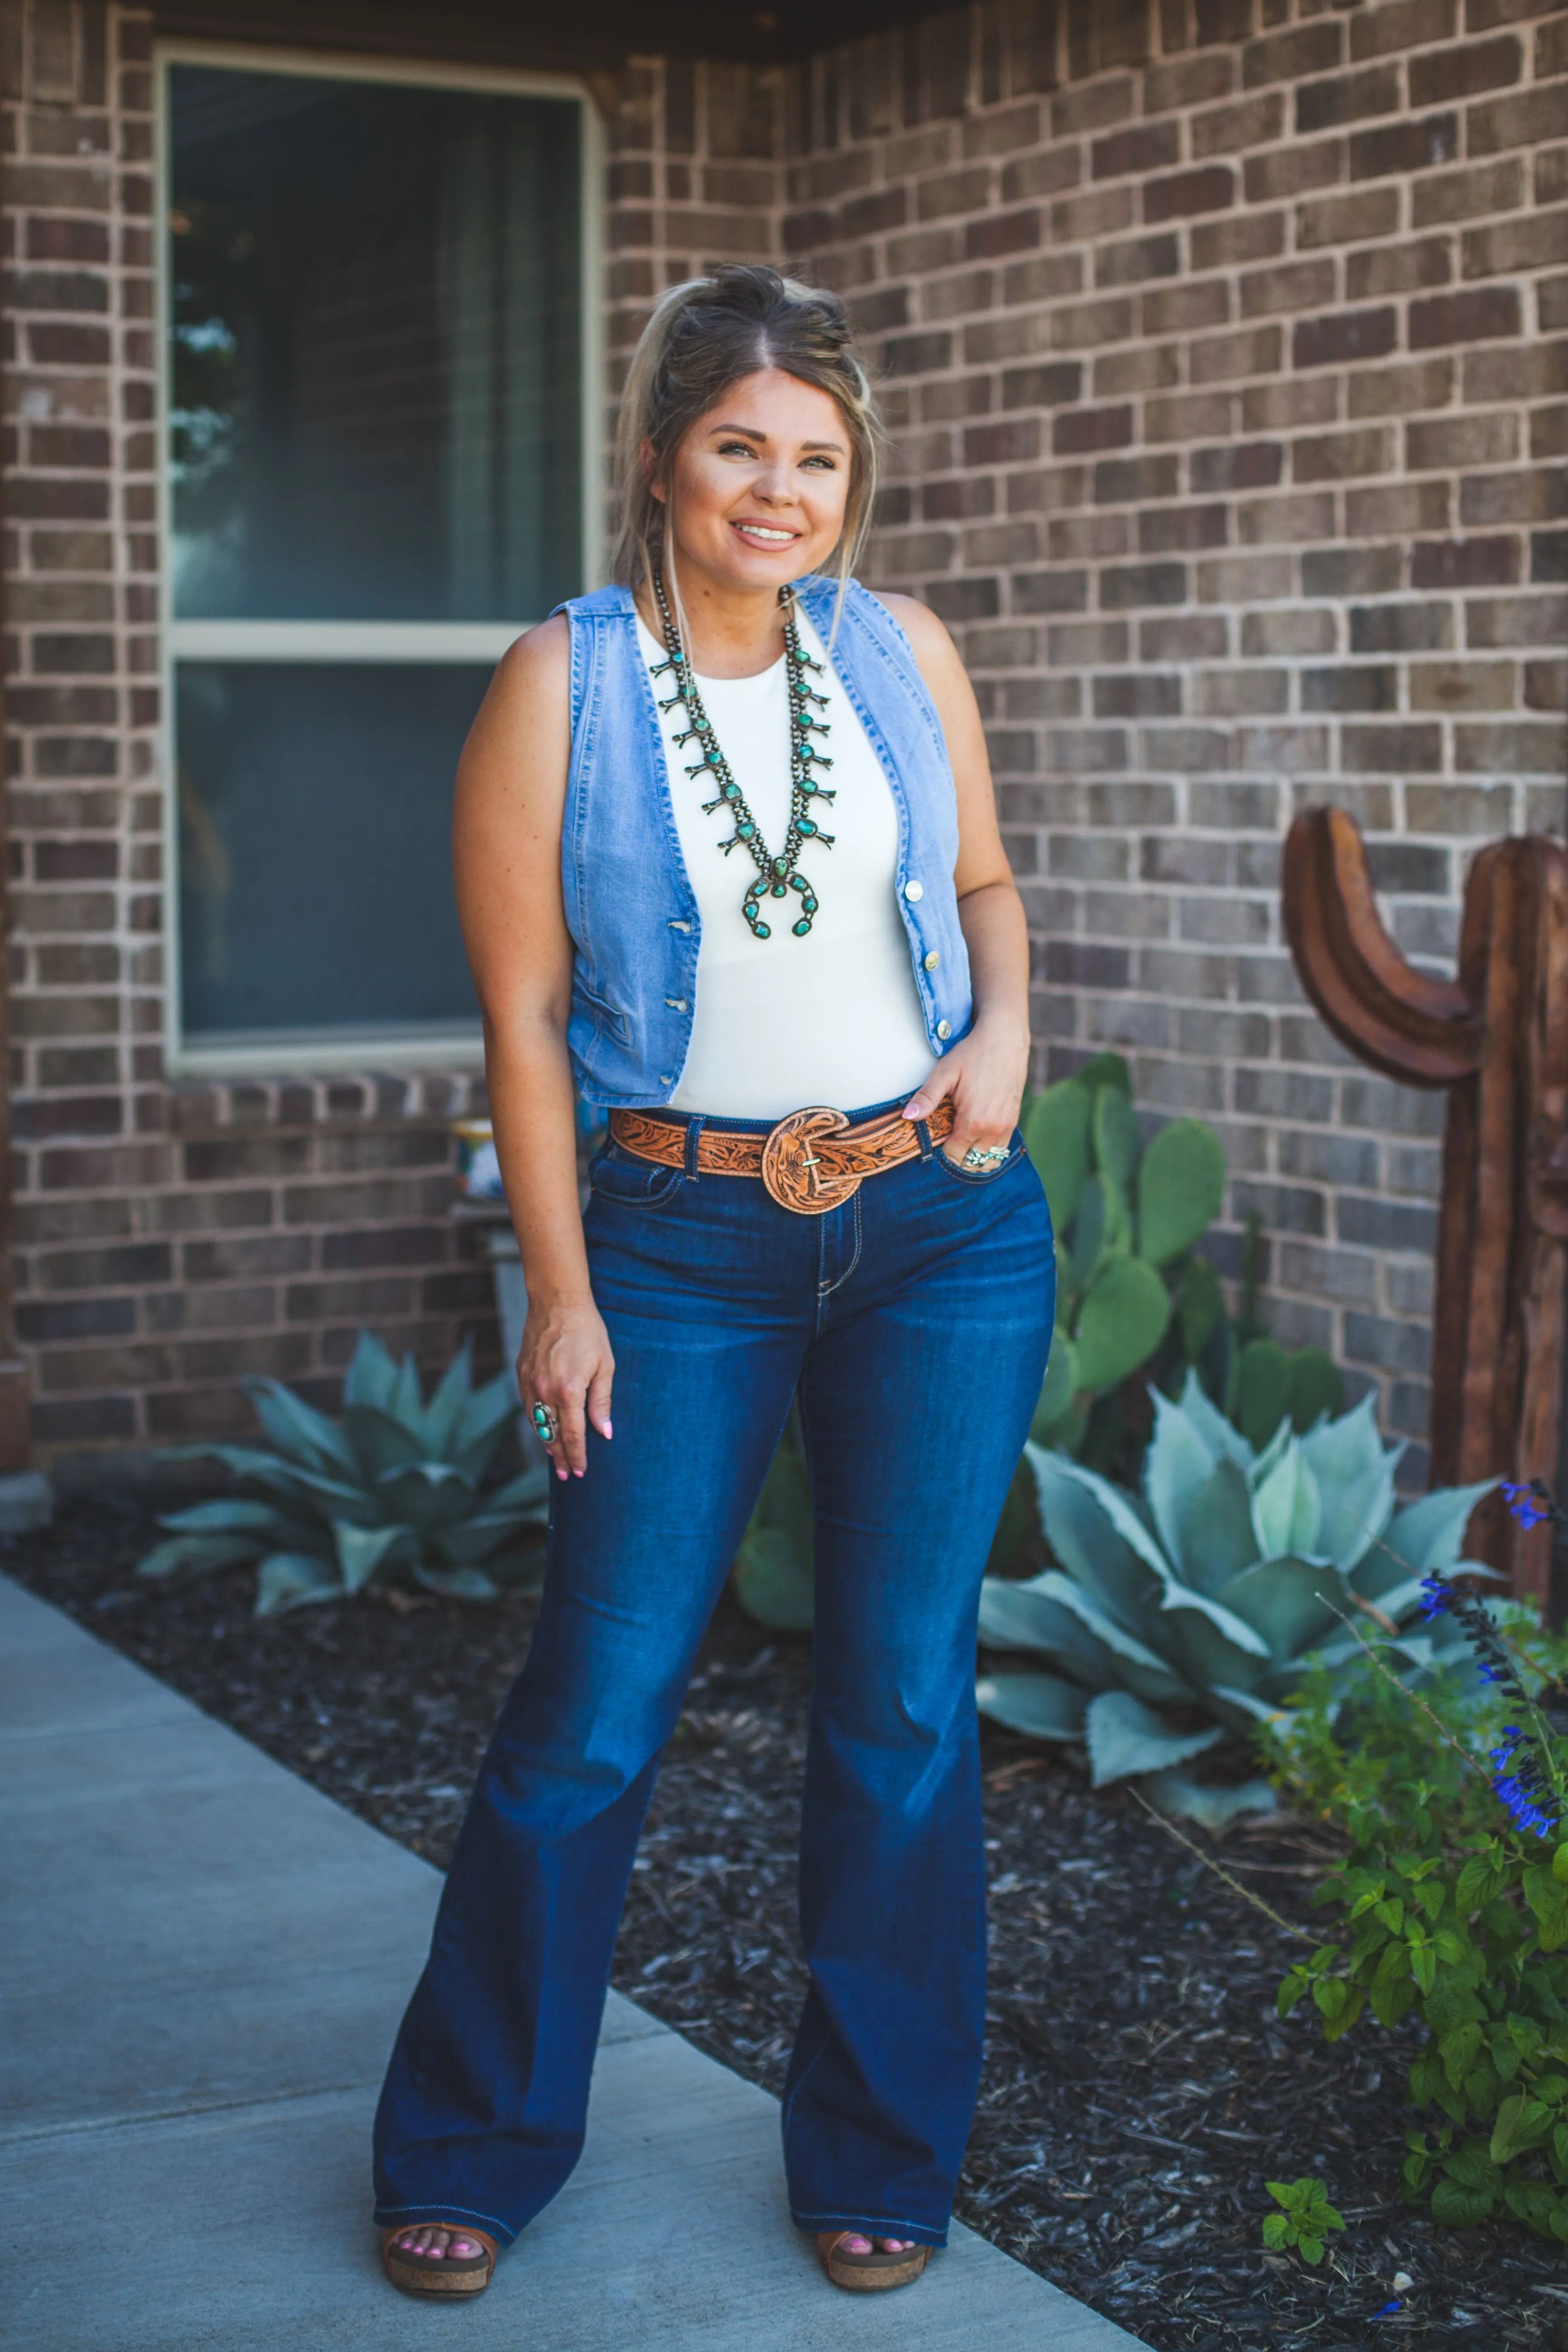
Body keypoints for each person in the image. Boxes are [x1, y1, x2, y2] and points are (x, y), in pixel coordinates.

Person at [372, 263, 1055, 2301]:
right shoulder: (557, 685)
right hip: (672, 1245)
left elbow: (985, 889)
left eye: (816, 459)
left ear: (854, 481)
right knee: (591, 1710)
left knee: (902, 1708)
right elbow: (518, 1025)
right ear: (664, 458)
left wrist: (1004, 1028)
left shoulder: (902, 650)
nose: (779, 490)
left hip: (935, 1226)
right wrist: (559, 1291)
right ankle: (475, 2143)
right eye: (739, 446)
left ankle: (875, 2150)